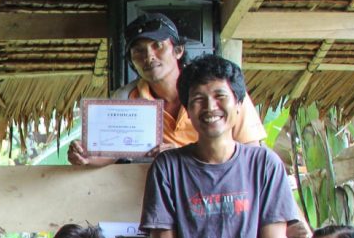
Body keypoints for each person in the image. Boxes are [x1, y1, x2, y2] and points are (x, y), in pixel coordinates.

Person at [139, 54, 300, 238]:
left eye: (220, 96)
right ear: (187, 108)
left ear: (238, 105)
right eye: (198, 99)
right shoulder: (168, 167)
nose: (210, 107)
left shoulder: (265, 165)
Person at [68, 13, 266, 167]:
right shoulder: (126, 99)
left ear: (178, 50)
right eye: (138, 51)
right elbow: (110, 151)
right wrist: (87, 156)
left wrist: (179, 156)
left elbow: (252, 153)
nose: (149, 56)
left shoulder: (223, 94)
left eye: (158, 46)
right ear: (132, 62)